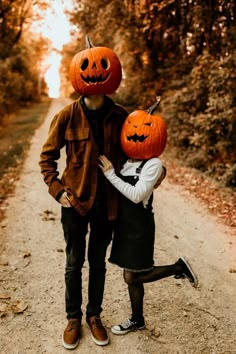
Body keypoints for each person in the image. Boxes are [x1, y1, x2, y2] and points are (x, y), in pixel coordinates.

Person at [39, 37, 130, 350]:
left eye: (102, 66)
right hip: (74, 202)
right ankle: (73, 318)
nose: (95, 73)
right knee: (73, 263)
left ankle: (94, 315)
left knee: (99, 263)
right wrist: (57, 190)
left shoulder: (121, 117)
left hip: (108, 204)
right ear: (79, 75)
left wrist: (152, 174)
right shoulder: (66, 116)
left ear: (111, 74)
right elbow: (47, 157)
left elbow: (137, 155)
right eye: (89, 67)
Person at [98, 148, 198, 335]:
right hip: (123, 226)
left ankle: (178, 268)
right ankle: (138, 320)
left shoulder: (152, 164)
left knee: (131, 276)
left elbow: (136, 196)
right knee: (132, 277)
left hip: (139, 228)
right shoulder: (125, 161)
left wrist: (110, 174)